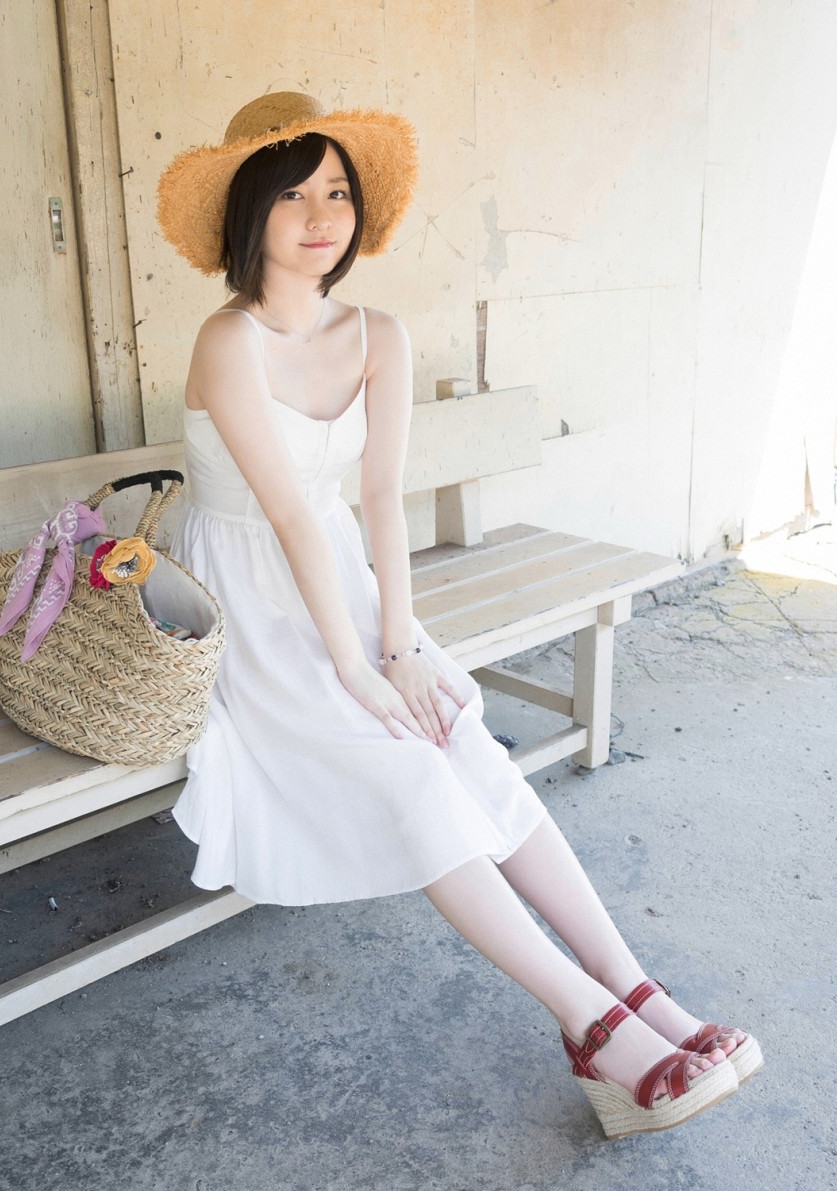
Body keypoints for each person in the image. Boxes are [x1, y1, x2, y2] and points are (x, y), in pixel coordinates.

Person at [156, 91, 760, 1140]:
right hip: (245, 601)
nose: (320, 216)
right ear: (250, 210)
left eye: (336, 191)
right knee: (405, 770)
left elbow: (377, 500)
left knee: (460, 740)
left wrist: (400, 646)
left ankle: (637, 994)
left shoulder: (376, 334)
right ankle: (591, 1028)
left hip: (342, 583)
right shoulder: (226, 340)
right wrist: (357, 671)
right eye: (292, 194)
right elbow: (287, 513)